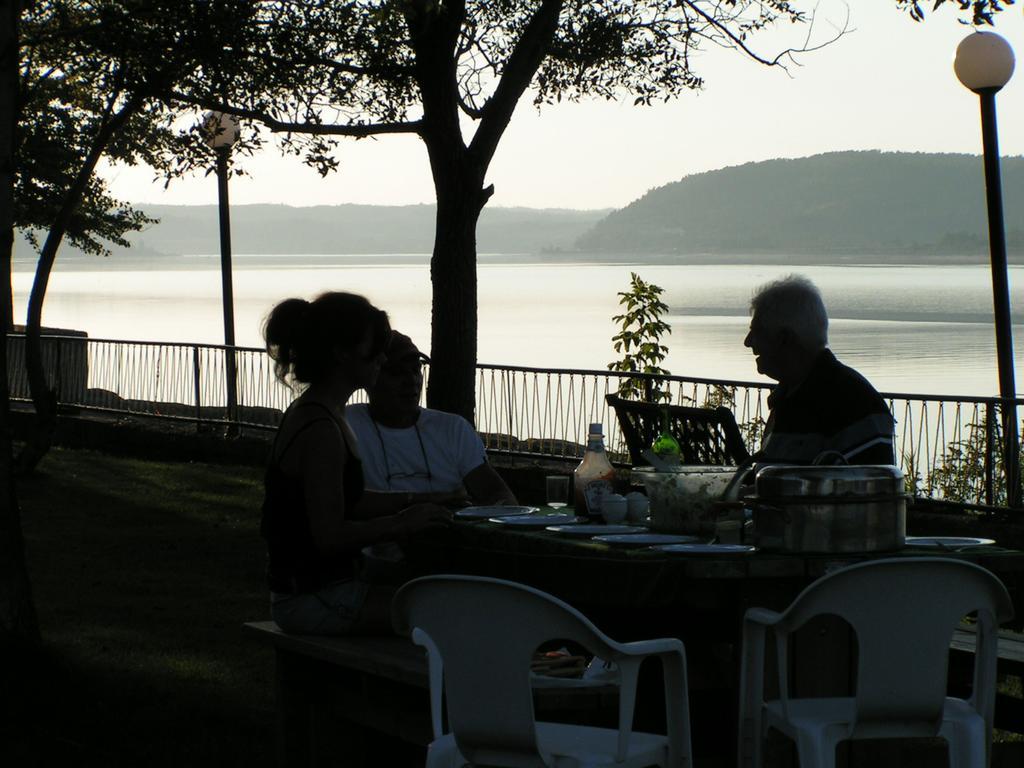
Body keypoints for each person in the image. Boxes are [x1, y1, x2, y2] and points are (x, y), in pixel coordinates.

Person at [261, 293, 450, 635]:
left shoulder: (324, 413)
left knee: (442, 586)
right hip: (311, 598)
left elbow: (352, 500)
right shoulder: (320, 429)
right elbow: (329, 536)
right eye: (373, 347)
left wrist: (426, 498)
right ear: (341, 353)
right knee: (449, 614)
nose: (381, 357)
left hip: (324, 587)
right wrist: (402, 523)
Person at [346, 331, 517, 516]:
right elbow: (342, 501)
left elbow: (496, 493)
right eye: (396, 373)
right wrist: (428, 500)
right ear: (371, 376)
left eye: (416, 370)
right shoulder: (346, 425)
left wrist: (502, 509)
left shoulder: (453, 429)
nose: (411, 381)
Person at [744, 275, 895, 465]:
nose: (748, 342)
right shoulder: (789, 396)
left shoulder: (853, 403)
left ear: (785, 338)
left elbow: (867, 489)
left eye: (757, 331)